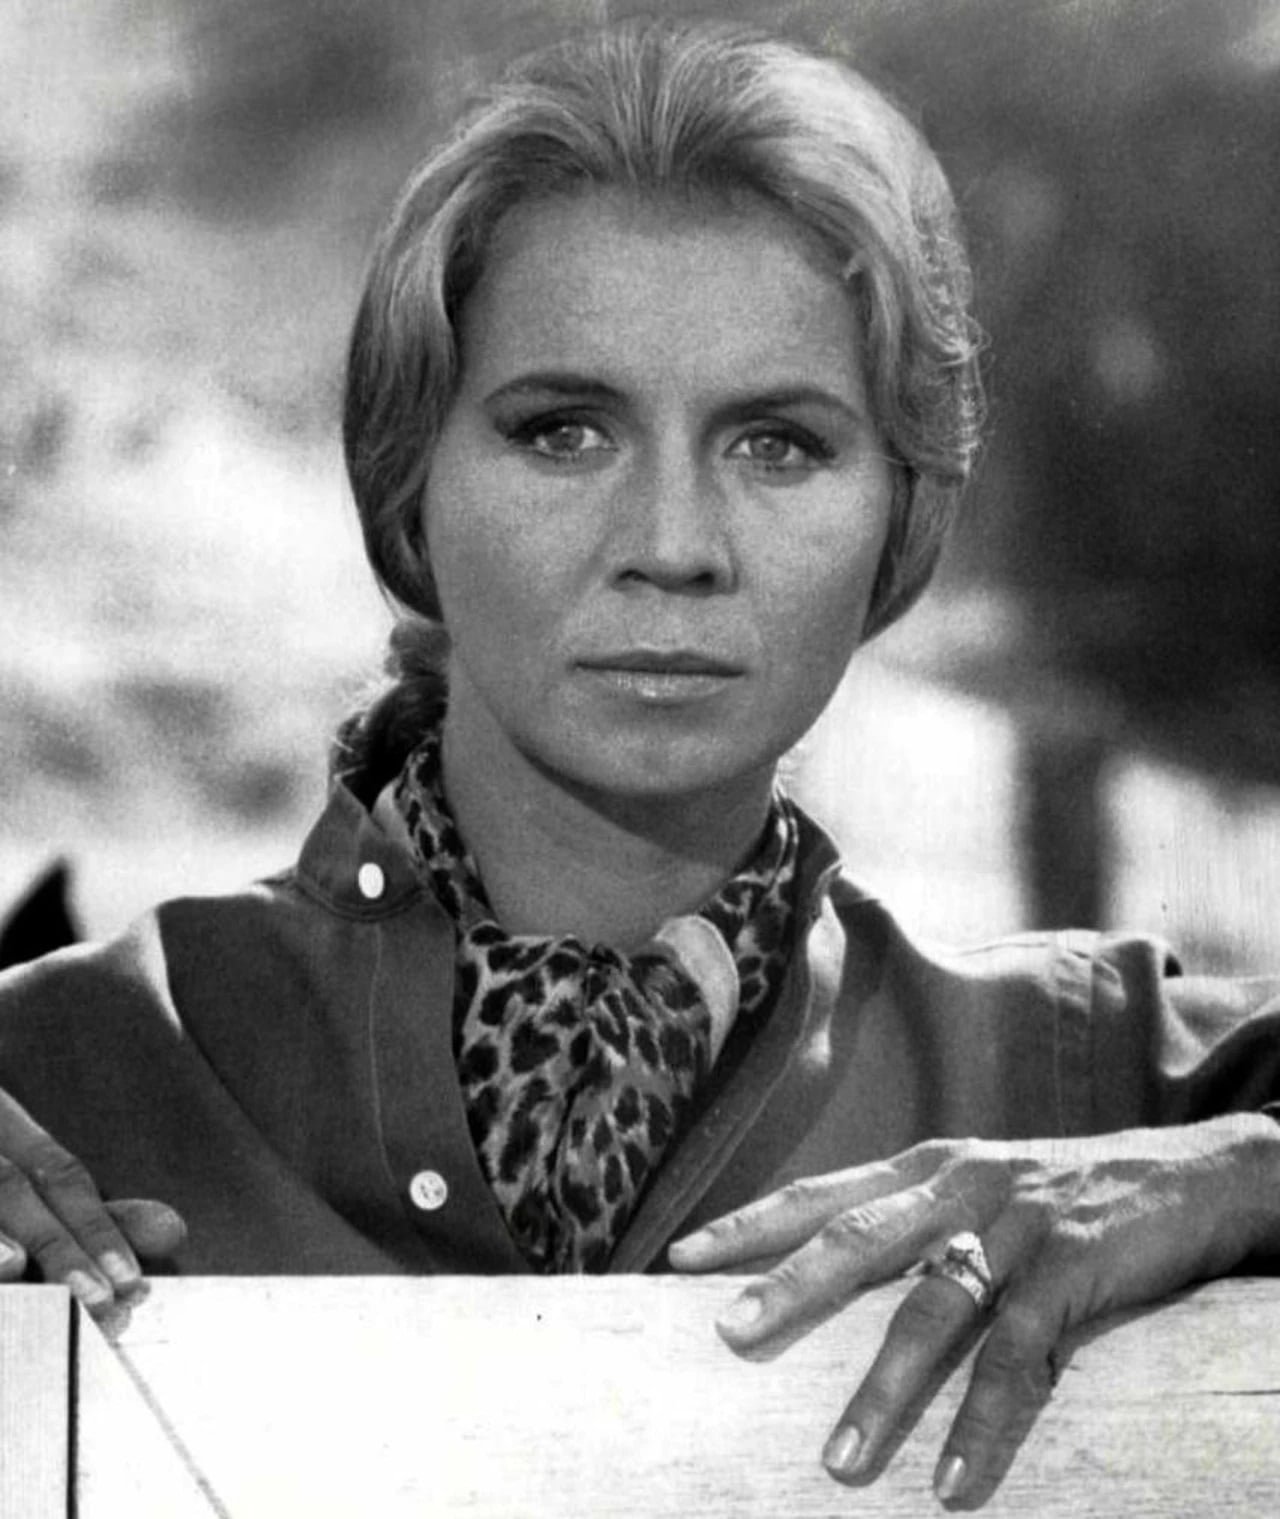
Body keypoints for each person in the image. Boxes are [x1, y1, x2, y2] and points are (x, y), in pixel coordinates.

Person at [2, 19, 1279, 1507]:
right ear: (411, 485)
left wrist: (1239, 1172)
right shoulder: (62, 1074)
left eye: (778, 445)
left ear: (902, 514)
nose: (673, 546)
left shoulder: (1087, 1075)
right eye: (564, 433)